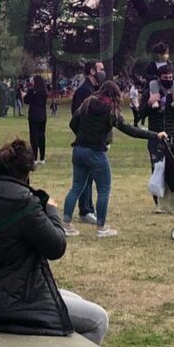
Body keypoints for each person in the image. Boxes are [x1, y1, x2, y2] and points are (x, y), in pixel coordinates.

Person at [0, 139, 109, 344]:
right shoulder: (25, 203)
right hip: (15, 303)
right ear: (27, 173)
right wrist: (51, 210)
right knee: (98, 320)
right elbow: (56, 247)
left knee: (75, 299)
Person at [62, 82, 168, 238]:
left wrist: (83, 135)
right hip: (96, 152)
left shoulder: (87, 103)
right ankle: (101, 227)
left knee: (76, 187)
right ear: (115, 95)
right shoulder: (110, 110)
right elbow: (131, 130)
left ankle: (66, 225)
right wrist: (155, 135)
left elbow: (73, 123)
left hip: (78, 150)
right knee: (104, 189)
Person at [144, 64, 174, 214]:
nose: (168, 80)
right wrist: (150, 102)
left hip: (172, 134)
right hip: (155, 135)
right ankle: (158, 204)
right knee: (156, 169)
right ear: (159, 78)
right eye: (165, 78)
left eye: (170, 78)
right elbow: (141, 113)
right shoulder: (150, 90)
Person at [69, 61, 106, 225]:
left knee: (89, 177)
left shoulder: (93, 90)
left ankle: (88, 207)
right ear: (92, 71)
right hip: (86, 142)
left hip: (93, 141)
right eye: (101, 69)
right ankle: (85, 210)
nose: (103, 72)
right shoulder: (84, 91)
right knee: (84, 179)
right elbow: (77, 117)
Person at [24, 75, 48, 165]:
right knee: (42, 136)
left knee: (34, 136)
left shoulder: (32, 91)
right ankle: (42, 158)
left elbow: (26, 101)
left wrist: (24, 95)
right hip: (42, 116)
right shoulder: (44, 92)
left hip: (34, 115)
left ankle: (34, 158)